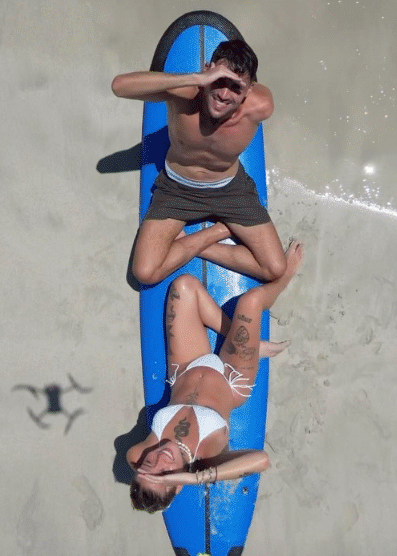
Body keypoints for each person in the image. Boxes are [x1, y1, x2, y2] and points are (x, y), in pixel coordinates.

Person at [128, 242, 303, 511]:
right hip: (231, 378)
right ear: (177, 483)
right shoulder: (205, 457)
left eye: (149, 466)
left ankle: (247, 340)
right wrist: (192, 477)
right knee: (251, 301)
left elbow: (138, 463)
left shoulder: (138, 454)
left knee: (184, 285)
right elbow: (261, 460)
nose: (159, 460)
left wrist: (156, 474)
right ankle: (285, 280)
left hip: (184, 368)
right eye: (165, 472)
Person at [113, 38, 287, 286]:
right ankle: (220, 231)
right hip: (176, 191)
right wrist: (195, 79)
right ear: (208, 70)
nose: (224, 95)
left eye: (236, 88)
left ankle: (202, 240)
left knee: (275, 268)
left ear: (249, 90)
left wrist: (190, 244)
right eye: (219, 80)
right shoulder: (185, 94)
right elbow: (120, 87)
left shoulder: (260, 106)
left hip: (230, 190)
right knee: (144, 273)